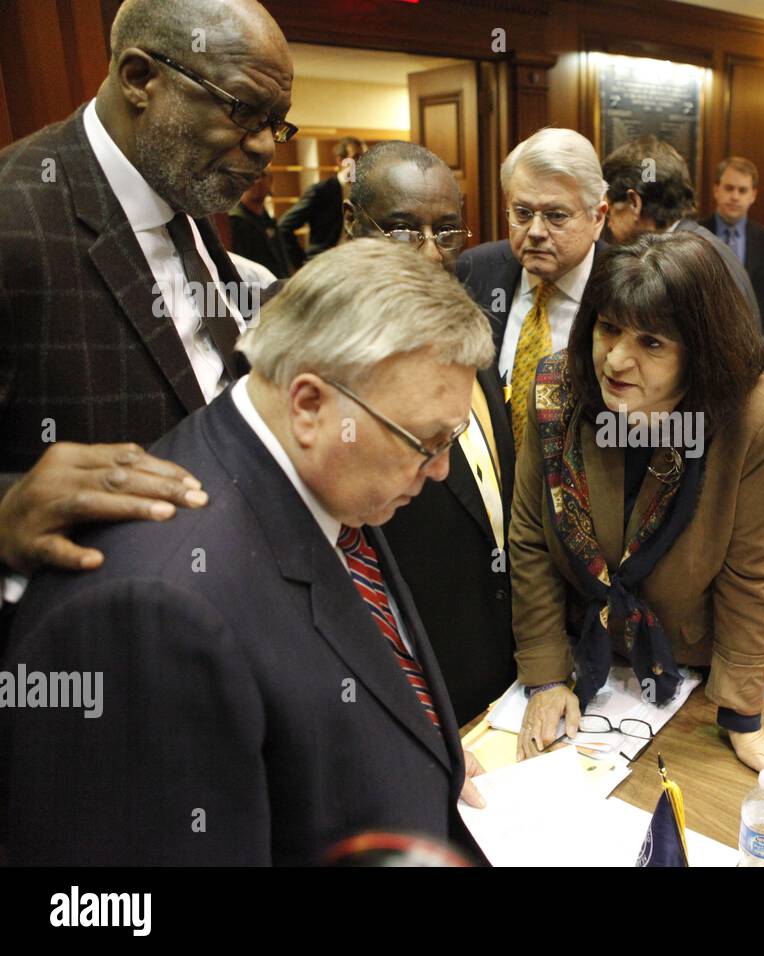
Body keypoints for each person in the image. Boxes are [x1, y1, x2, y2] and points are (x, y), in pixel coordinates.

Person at [1, 240, 495, 865]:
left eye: (451, 438)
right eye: (425, 442)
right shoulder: (152, 614)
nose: (441, 467)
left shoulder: (323, 472)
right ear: (310, 405)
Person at [510, 232, 764, 786]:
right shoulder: (557, 388)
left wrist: (743, 717)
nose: (616, 359)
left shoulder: (756, 420)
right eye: (609, 328)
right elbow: (528, 537)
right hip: (579, 661)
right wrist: (545, 677)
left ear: (700, 351)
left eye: (653, 343)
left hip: (690, 669)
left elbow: (755, 573)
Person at [0, 0, 293, 603]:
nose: (266, 147)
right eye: (243, 110)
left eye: (276, 122)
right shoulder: (15, 218)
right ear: (140, 78)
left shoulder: (182, 192)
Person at [346, 141, 516, 723]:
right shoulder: (329, 364)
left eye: (446, 232)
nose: (429, 255)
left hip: (503, 674)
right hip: (407, 692)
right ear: (351, 225)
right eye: (399, 230)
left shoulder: (473, 331)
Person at [456, 128, 609, 451]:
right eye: (522, 213)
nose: (536, 232)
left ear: (598, 217)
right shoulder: (474, 273)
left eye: (556, 216)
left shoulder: (626, 287)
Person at [602, 136, 761, 332]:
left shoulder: (682, 261)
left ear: (635, 203)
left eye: (610, 210)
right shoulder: (695, 242)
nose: (608, 223)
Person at [702, 156, 764, 336]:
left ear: (753, 195)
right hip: (704, 339)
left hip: (753, 341)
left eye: (742, 190)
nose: (735, 196)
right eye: (729, 188)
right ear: (716, 190)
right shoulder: (693, 235)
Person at [277, 135, 364, 267]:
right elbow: (284, 226)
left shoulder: (365, 191)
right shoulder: (322, 190)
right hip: (326, 265)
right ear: (341, 160)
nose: (362, 163)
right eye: (356, 157)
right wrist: (302, 265)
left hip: (356, 264)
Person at [229, 171, 293, 278]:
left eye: (262, 176)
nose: (257, 181)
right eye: (251, 176)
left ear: (270, 181)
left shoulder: (269, 220)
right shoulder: (235, 221)